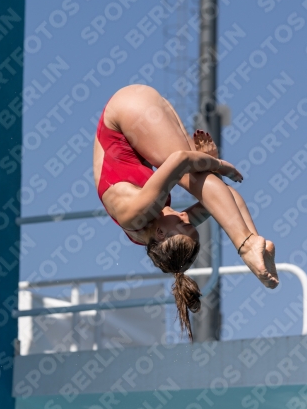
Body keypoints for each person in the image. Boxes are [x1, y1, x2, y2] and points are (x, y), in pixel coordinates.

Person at [93, 85, 279, 340]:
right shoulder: (153, 229)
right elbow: (222, 202)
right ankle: (253, 243)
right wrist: (211, 173)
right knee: (205, 182)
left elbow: (181, 160)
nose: (185, 216)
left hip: (123, 113)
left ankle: (246, 246)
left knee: (193, 175)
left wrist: (218, 165)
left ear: (160, 233)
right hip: (138, 124)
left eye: (183, 223)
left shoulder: (136, 213)